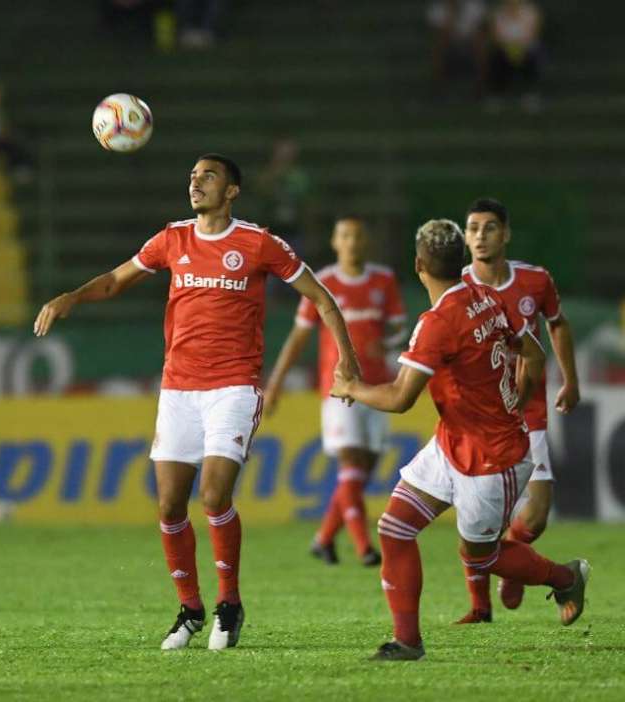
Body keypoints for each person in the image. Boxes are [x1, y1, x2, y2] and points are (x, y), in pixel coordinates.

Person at [34, 153, 361, 650]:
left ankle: (229, 605)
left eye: (208, 176)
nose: (196, 182)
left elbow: (322, 298)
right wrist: (71, 297)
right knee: (168, 503)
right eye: (191, 175)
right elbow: (117, 280)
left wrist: (346, 360)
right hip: (178, 389)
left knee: (213, 494)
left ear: (232, 191)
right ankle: (189, 609)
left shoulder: (258, 242)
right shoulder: (173, 238)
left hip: (233, 386)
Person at [331, 219, 589, 661]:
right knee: (394, 528)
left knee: (481, 559)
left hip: (493, 460)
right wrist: (516, 400)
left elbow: (398, 399)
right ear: (460, 260)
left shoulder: (437, 323)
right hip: (453, 444)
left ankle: (564, 577)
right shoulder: (488, 298)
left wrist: (350, 388)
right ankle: (407, 642)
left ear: (418, 266)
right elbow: (534, 352)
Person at [455, 197, 580, 624]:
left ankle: (515, 559)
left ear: (505, 234)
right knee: (474, 515)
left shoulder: (534, 280)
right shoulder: (457, 286)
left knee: (537, 513)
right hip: (479, 414)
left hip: (529, 410)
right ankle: (479, 606)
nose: (480, 236)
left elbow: (557, 323)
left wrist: (570, 378)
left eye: (489, 228)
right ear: (464, 236)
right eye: (472, 228)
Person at [264, 217, 406, 566]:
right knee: (350, 462)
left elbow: (399, 328)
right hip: (339, 387)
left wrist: (386, 348)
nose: (352, 241)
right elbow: (298, 337)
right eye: (345, 235)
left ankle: (324, 538)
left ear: (365, 241)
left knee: (362, 470)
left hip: (377, 386)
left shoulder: (383, 280)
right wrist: (275, 385)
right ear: (334, 241)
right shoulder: (323, 281)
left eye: (358, 235)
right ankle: (364, 548)